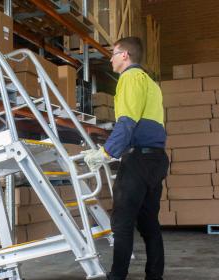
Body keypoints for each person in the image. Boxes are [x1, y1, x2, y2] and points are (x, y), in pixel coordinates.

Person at [83, 37, 169, 280]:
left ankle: (117, 277)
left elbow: (127, 123)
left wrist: (106, 153)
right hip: (156, 160)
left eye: (113, 53)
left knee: (121, 223)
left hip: (138, 162)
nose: (110, 58)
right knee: (149, 224)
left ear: (125, 56)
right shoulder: (151, 83)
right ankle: (155, 276)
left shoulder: (129, 78)